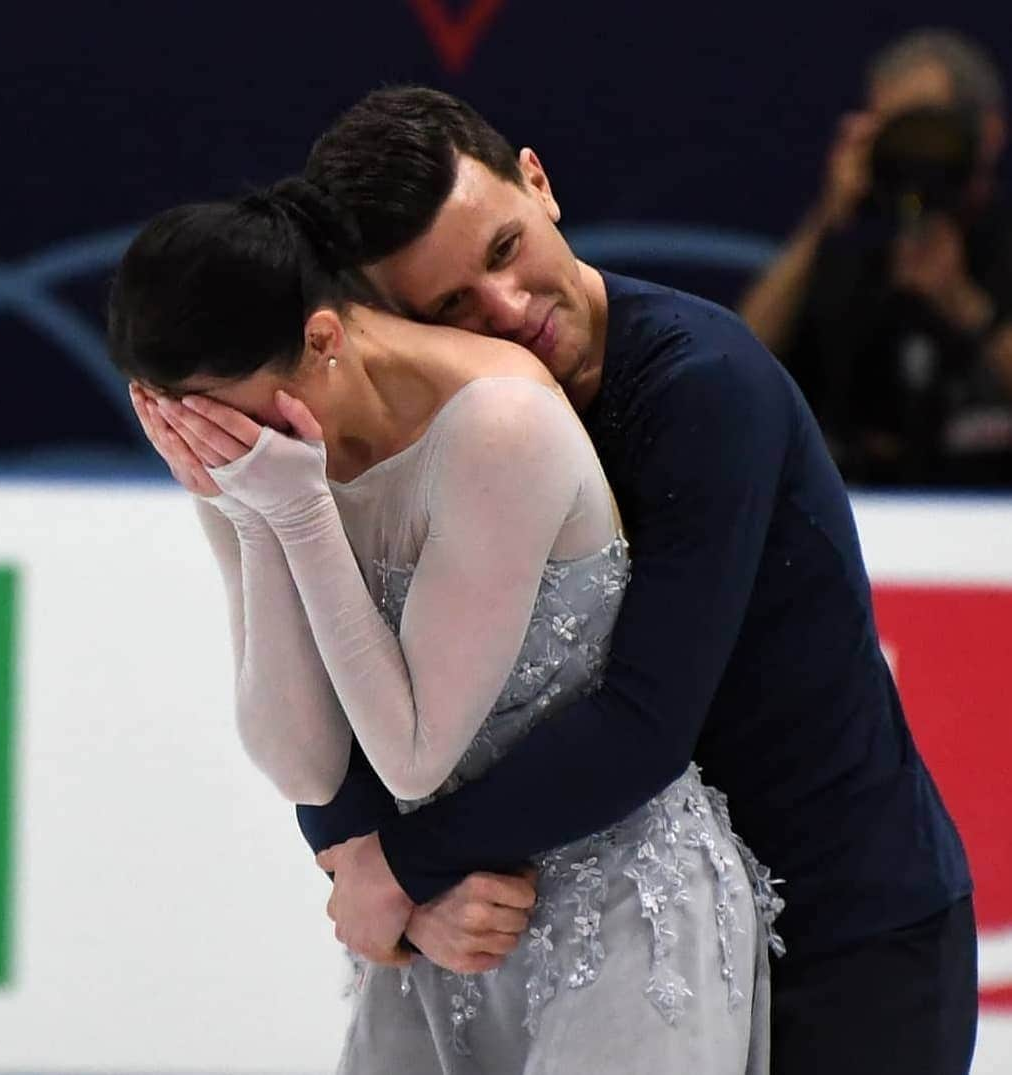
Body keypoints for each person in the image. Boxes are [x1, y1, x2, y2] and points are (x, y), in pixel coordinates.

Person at [290, 87, 977, 1074]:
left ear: (539, 182)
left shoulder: (702, 387)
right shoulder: (433, 437)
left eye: (502, 251)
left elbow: (646, 721)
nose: (510, 311)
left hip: (847, 943)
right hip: (610, 952)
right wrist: (353, 845)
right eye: (450, 307)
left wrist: (393, 870)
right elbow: (341, 666)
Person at [107, 184, 782, 1073]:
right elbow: (304, 763)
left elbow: (414, 750)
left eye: (224, 419)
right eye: (180, 422)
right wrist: (255, 516)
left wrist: (301, 515)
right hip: (441, 921)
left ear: (321, 341)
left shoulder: (498, 424)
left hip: (622, 912)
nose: (211, 443)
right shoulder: (252, 450)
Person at [739, 28, 1012, 486]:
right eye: (893, 130)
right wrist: (825, 218)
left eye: (926, 127)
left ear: (987, 134)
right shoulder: (852, 258)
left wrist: (963, 306)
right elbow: (740, 366)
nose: (912, 150)